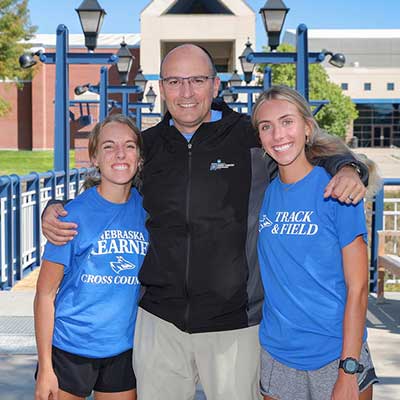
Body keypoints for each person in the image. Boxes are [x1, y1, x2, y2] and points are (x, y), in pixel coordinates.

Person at [42, 45, 369, 400]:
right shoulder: (147, 146)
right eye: (174, 81)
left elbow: (309, 149)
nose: (185, 92)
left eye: (197, 80)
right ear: (162, 87)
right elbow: (107, 184)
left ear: (215, 86)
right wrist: (55, 206)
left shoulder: (251, 137)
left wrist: (351, 168)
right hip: (159, 322)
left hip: (235, 324)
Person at [252, 86, 379, 400]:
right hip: (277, 355)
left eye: (287, 122)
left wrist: (349, 368)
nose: (278, 134)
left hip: (335, 355)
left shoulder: (338, 190)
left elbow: (359, 287)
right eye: (266, 127)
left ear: (307, 128)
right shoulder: (264, 193)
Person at [34, 114, 148, 400]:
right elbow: (45, 294)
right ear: (95, 158)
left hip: (122, 349)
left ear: (139, 157)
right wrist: (46, 367)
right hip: (69, 350)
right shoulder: (71, 216)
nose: (120, 154)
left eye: (129, 146)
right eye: (109, 147)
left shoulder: (149, 211)